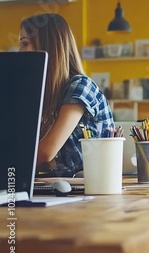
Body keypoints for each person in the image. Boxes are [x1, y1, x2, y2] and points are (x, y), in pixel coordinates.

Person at [19, 14, 114, 176]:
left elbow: (45, 152)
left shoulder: (81, 86)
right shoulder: (50, 93)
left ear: (48, 46)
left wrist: (10, 163)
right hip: (63, 187)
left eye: (24, 43)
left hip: (91, 188)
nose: (20, 51)